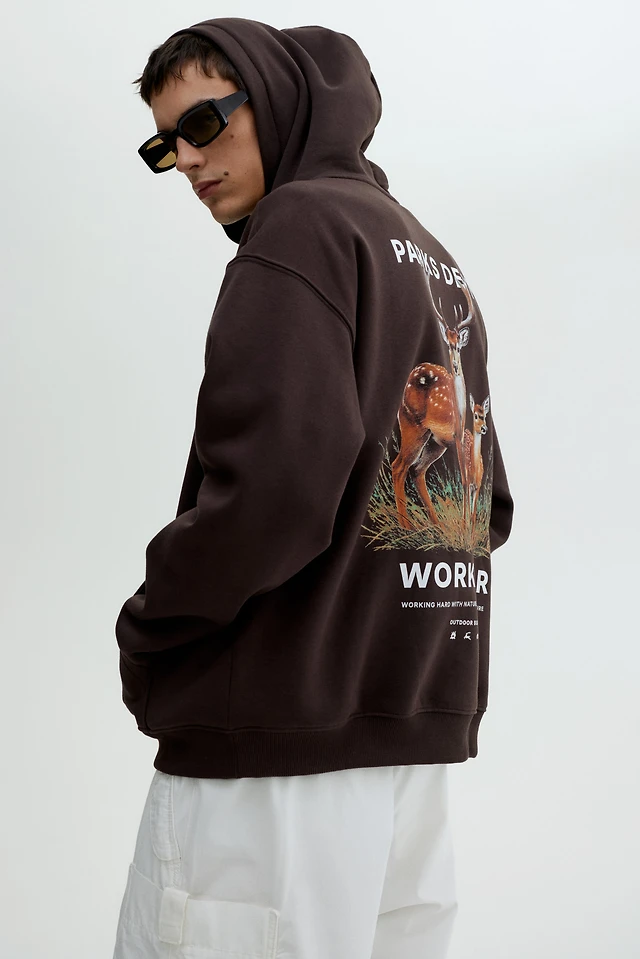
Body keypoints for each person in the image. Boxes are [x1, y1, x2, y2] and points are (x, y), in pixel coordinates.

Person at [112, 17, 514, 959]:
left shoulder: (295, 230)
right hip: (409, 751)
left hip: (272, 755)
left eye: (204, 123)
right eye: (166, 145)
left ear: (273, 96)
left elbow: (278, 492)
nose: (188, 161)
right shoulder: (433, 259)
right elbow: (483, 504)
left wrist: (151, 622)